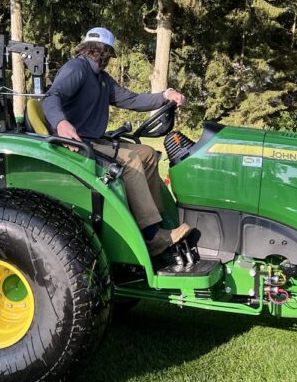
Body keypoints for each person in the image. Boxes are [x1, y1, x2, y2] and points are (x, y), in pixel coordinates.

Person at [42, 26, 191, 257]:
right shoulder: (77, 68)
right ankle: (152, 237)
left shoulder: (102, 79)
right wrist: (61, 123)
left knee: (147, 153)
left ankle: (157, 223)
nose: (106, 59)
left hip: (94, 140)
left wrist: (164, 96)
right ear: (104, 52)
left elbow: (132, 100)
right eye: (106, 54)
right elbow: (52, 96)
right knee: (130, 160)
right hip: (75, 143)